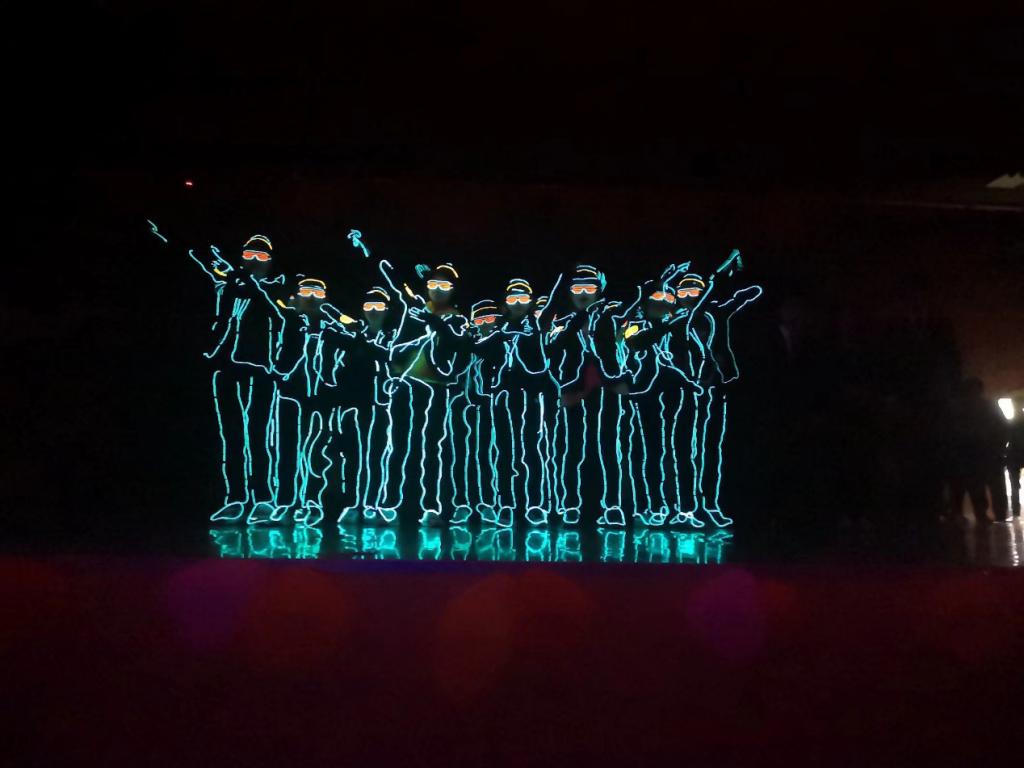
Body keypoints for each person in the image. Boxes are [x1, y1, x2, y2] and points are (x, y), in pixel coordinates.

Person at [188, 234, 288, 523]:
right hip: (227, 368)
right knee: (232, 436)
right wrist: (211, 351)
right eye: (249, 255)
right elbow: (221, 320)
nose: (254, 261)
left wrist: (252, 287)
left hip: (261, 370)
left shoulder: (276, 289)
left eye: (261, 257)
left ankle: (263, 499)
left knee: (259, 435)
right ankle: (235, 499)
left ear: (270, 262)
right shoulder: (229, 287)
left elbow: (282, 318)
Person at [666, 254, 762, 527]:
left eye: (694, 291)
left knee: (711, 448)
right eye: (684, 292)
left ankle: (709, 504)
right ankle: (686, 506)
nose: (689, 296)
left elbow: (734, 301)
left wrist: (741, 292)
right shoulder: (674, 320)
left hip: (717, 387)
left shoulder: (715, 312)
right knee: (684, 447)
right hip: (686, 391)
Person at [388, 263, 472, 523]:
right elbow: (398, 345)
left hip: (437, 388)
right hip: (407, 385)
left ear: (453, 289)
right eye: (433, 284)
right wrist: (395, 373)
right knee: (399, 445)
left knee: (431, 447)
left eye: (444, 285)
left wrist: (433, 322)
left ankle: (431, 505)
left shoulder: (458, 319)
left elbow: (458, 347)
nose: (438, 290)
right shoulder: (415, 311)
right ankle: (394, 504)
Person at [545, 265, 629, 525]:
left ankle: (612, 505)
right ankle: (571, 504)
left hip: (608, 389)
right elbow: (552, 350)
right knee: (572, 448)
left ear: (599, 290)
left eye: (589, 287)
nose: (583, 293)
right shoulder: (563, 322)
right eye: (577, 288)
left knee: (609, 447)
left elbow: (621, 344)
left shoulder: (610, 317)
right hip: (573, 389)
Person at [488, 279, 556, 525]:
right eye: (513, 299)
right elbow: (482, 353)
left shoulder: (535, 327)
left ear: (530, 302)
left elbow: (540, 366)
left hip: (530, 396)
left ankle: (534, 504)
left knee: (531, 449)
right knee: (504, 450)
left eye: (523, 299)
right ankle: (506, 503)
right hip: (503, 396)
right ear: (505, 303)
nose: (518, 303)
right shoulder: (498, 328)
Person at [949, 379, 1010, 523]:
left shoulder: (961, 409)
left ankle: (987, 513)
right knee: (987, 484)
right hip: (983, 451)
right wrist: (999, 445)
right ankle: (993, 513)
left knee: (979, 484)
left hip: (977, 451)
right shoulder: (986, 407)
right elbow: (1003, 427)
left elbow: (1002, 427)